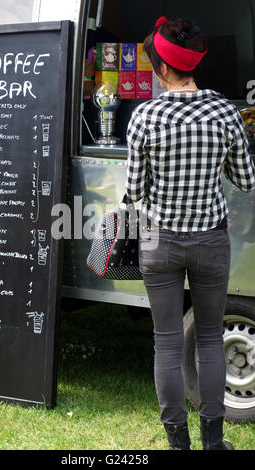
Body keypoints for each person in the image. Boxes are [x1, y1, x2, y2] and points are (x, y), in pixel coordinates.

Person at [125, 16, 255, 450]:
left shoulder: (145, 115)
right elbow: (247, 181)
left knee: (166, 345)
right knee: (210, 341)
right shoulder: (224, 111)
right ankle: (214, 443)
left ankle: (177, 442)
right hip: (210, 241)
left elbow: (133, 191)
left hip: (159, 241)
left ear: (162, 68)